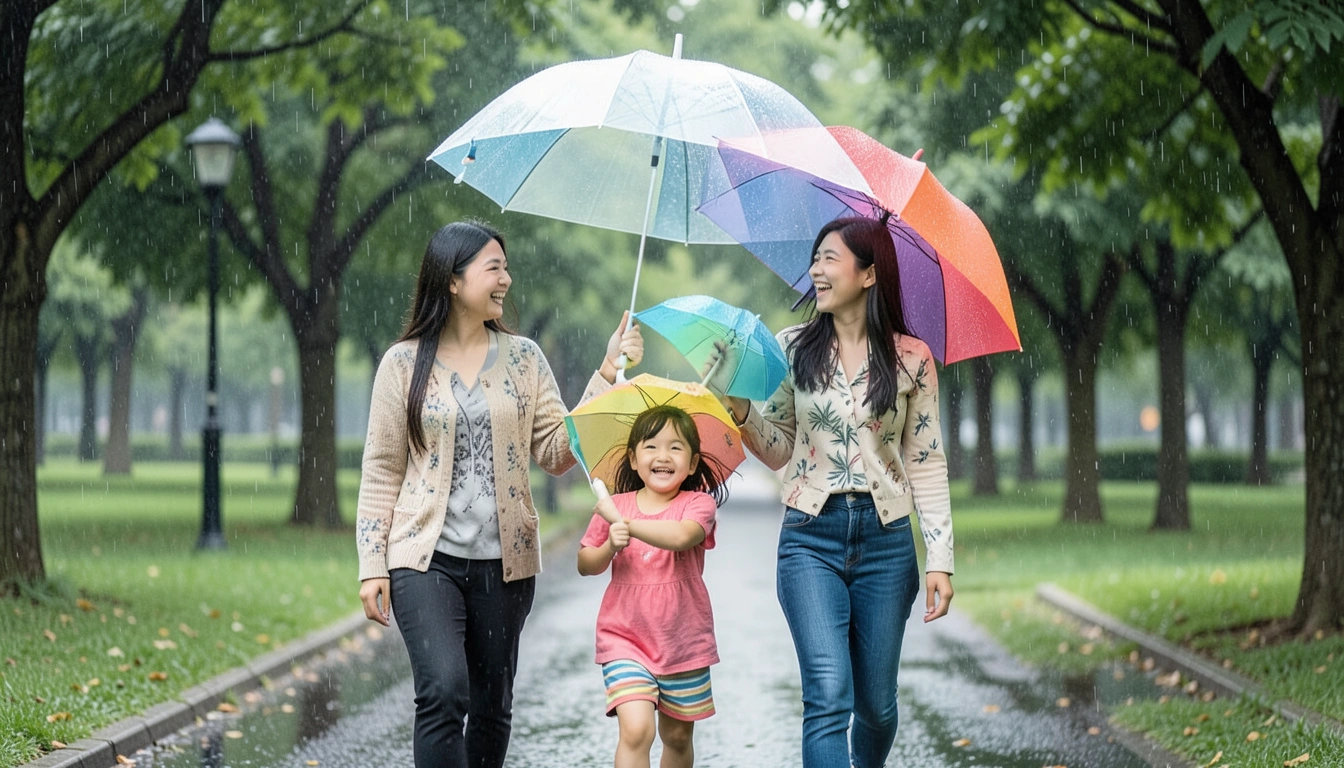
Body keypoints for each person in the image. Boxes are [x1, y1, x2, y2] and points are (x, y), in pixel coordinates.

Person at [354, 220, 644, 768]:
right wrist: (373, 564)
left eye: (506, 267)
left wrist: (607, 372)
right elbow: (381, 469)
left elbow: (559, 452)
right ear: (453, 280)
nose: (506, 278)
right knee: (442, 689)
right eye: (494, 268)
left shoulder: (524, 359)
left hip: (504, 565)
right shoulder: (402, 364)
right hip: (424, 559)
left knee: (492, 706)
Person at [712, 216, 954, 768]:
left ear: (868, 274)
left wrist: (940, 557)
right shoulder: (791, 349)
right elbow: (778, 448)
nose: (816, 271)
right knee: (827, 696)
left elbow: (926, 462)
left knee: (877, 707)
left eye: (829, 259)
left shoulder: (912, 359)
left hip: (887, 543)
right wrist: (744, 412)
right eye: (815, 258)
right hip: (809, 538)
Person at [576, 404, 730, 768]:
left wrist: (624, 522)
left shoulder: (699, 504)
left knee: (676, 737)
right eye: (651, 446)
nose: (663, 456)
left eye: (676, 447)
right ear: (632, 458)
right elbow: (585, 563)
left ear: (692, 463)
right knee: (636, 730)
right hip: (624, 638)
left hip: (684, 641)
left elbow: (681, 536)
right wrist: (609, 544)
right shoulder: (614, 506)